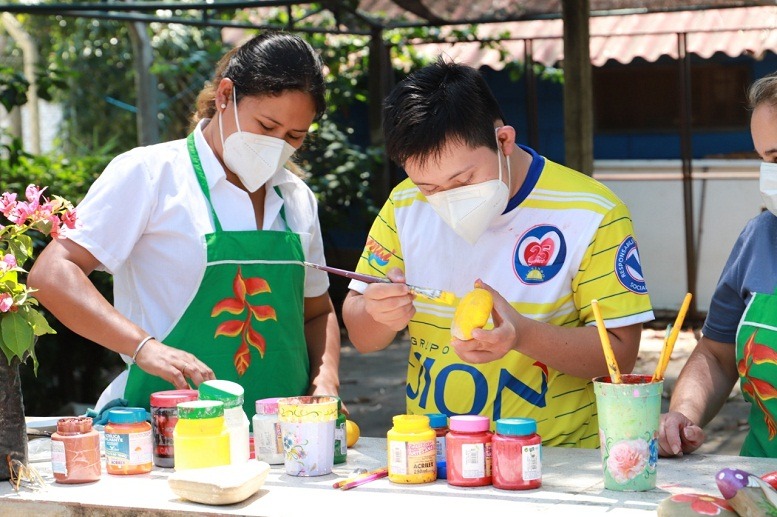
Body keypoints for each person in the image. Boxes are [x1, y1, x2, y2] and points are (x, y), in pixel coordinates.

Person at [28, 32, 342, 419]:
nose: (278, 145)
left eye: (294, 136)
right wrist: (144, 347)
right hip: (169, 432)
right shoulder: (150, 175)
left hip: (283, 436)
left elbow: (317, 311)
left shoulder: (295, 199)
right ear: (226, 95)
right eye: (266, 126)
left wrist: (325, 382)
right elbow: (53, 273)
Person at [341, 59, 654, 447]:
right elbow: (361, 333)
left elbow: (620, 355)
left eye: (463, 180)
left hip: (553, 459)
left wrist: (523, 335)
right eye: (429, 187)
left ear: (503, 141)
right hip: (434, 452)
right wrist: (378, 313)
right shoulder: (404, 205)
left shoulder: (591, 211)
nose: (447, 200)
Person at [659, 72, 777, 458]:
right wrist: (683, 413)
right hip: (761, 483)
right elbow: (716, 354)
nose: (770, 174)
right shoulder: (760, 238)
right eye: (766, 159)